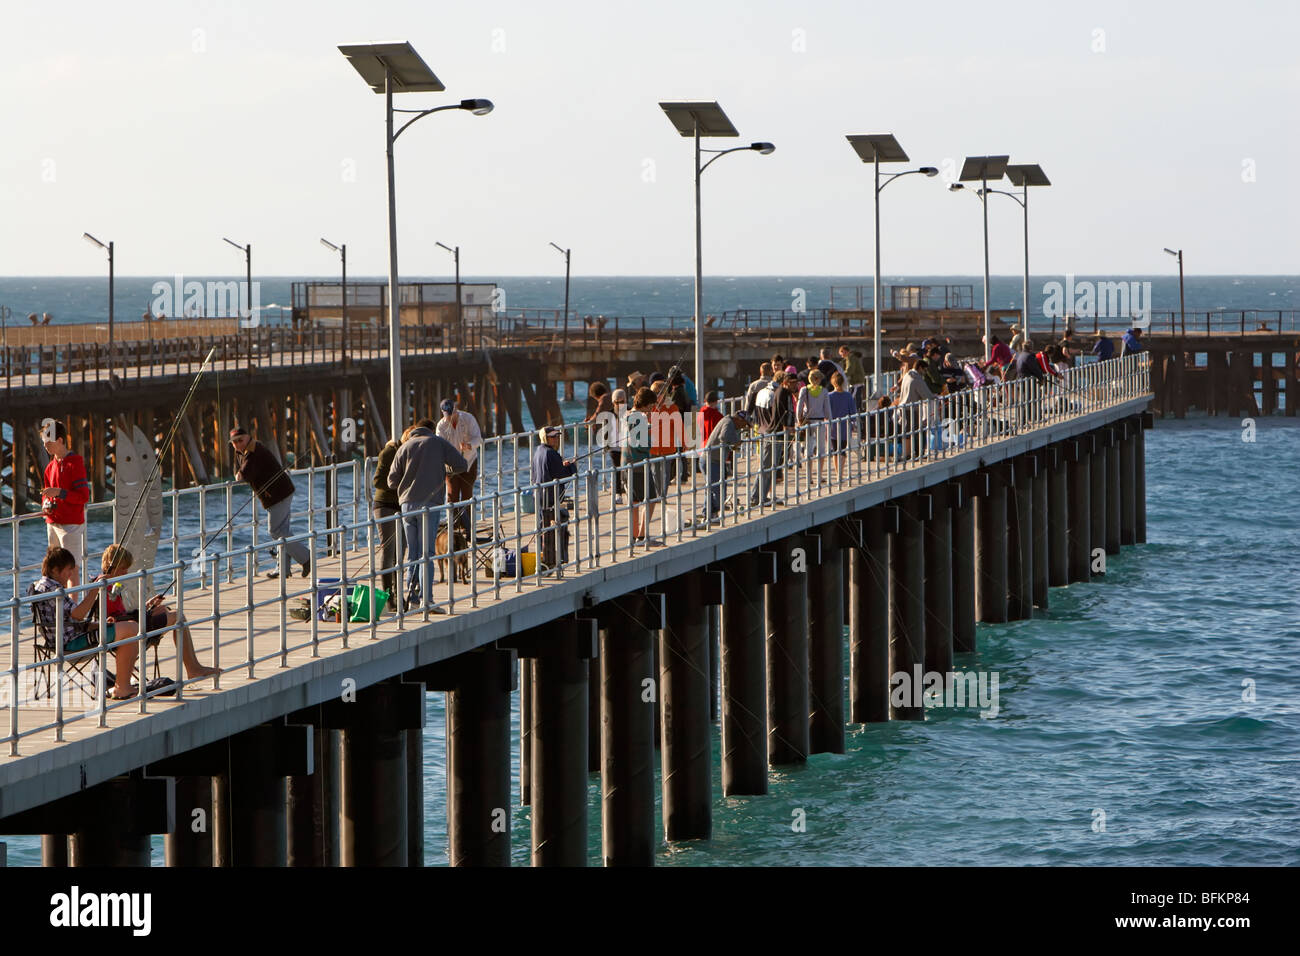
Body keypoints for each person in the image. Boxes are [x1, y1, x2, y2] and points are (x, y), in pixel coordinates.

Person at [89, 544, 220, 699]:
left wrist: (148, 606)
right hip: (129, 631)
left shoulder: (110, 585)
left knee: (166, 610)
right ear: (112, 565)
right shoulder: (104, 587)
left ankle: (193, 667)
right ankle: (193, 668)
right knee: (177, 616)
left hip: (131, 625)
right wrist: (145, 614)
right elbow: (113, 619)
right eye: (123, 568)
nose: (125, 572)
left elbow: (122, 614)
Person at [387, 418, 468, 607]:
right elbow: (462, 465)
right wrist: (444, 470)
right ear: (432, 430)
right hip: (430, 505)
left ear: (416, 429)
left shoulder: (404, 447)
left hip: (407, 505)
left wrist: (408, 483)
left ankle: (413, 597)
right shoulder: (438, 443)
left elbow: (391, 481)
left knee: (413, 553)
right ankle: (427, 599)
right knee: (427, 554)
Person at [231, 427, 310, 579]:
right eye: (234, 442)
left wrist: (239, 474)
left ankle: (306, 558)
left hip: (278, 494)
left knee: (276, 531)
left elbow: (244, 474)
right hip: (276, 494)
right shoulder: (245, 451)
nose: (237, 444)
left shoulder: (254, 452)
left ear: (248, 438)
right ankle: (284, 568)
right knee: (282, 530)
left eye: (240, 440)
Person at [40, 420, 90, 570]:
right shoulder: (50, 467)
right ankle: (57, 594)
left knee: (71, 568)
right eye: (44, 442)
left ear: (60, 440)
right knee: (53, 568)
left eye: (48, 442)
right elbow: (46, 494)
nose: (45, 446)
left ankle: (73, 595)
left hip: (71, 525)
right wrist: (45, 504)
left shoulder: (75, 463)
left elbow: (83, 497)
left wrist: (60, 493)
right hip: (52, 522)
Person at [530, 426, 577, 569]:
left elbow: (546, 470)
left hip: (538, 494)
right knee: (551, 526)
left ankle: (544, 558)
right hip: (550, 497)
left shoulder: (538, 451)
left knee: (542, 526)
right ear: (546, 438)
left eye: (557, 436)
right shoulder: (552, 454)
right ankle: (552, 560)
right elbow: (562, 475)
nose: (556, 439)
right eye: (553, 436)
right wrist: (572, 466)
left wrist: (562, 465)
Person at [436, 398, 483, 536]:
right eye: (448, 415)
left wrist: (469, 445)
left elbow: (478, 439)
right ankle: (453, 526)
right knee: (451, 495)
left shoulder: (468, 418)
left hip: (469, 461)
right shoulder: (441, 426)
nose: (451, 417)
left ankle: (468, 526)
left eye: (453, 413)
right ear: (443, 413)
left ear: (456, 409)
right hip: (451, 465)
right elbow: (440, 446)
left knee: (467, 493)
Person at [749, 371, 794, 507]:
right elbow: (775, 415)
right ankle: (757, 497)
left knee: (766, 466)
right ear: (783, 382)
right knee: (768, 467)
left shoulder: (761, 392)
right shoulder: (775, 394)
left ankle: (761, 496)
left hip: (761, 431)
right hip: (773, 433)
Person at [372, 430, 406, 595]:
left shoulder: (412, 452)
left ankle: (398, 590)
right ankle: (388, 594)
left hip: (403, 505)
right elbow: (377, 481)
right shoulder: (389, 452)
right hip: (385, 504)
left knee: (402, 548)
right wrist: (398, 485)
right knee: (388, 549)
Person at [624, 388, 660, 543]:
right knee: (651, 500)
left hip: (626, 464)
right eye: (651, 405)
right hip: (639, 464)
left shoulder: (627, 415)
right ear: (645, 404)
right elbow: (641, 444)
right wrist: (651, 441)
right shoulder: (640, 418)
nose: (652, 408)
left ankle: (634, 536)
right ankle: (643, 535)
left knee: (634, 502)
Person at [702, 408, 749, 520]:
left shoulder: (730, 422)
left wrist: (735, 443)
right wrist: (735, 442)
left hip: (717, 461)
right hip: (711, 461)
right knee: (716, 490)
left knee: (717, 488)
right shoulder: (728, 422)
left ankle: (710, 514)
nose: (743, 427)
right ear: (738, 419)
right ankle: (709, 513)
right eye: (744, 424)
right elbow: (723, 437)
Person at [796, 369, 832, 475]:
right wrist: (830, 422)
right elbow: (827, 410)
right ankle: (819, 476)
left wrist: (799, 420)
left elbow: (799, 408)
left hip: (808, 422)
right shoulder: (824, 391)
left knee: (808, 449)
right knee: (821, 450)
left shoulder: (804, 390)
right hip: (820, 422)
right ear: (818, 379)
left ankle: (809, 476)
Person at [827, 371, 858, 478]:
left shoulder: (829, 396)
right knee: (843, 450)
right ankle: (841, 472)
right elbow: (853, 412)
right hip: (845, 427)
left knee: (835, 450)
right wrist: (854, 424)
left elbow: (827, 412)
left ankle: (837, 472)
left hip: (833, 427)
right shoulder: (848, 396)